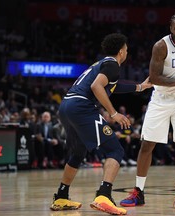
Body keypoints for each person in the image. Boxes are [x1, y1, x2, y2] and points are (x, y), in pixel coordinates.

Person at [50, 33, 152, 215]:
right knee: (115, 150)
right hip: (81, 107)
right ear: (121, 51)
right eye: (126, 50)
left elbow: (113, 86)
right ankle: (104, 195)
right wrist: (113, 113)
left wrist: (139, 87)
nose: (127, 53)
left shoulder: (102, 64)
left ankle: (61, 196)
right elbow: (97, 86)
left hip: (66, 106)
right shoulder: (113, 65)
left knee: (78, 152)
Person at [120, 12, 175, 209]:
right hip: (161, 99)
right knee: (147, 145)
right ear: (170, 29)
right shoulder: (161, 46)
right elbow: (154, 77)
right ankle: (138, 192)